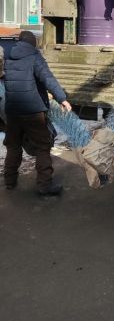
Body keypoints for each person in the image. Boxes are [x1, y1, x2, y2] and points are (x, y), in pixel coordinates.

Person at [3, 30, 71, 196]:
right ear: (33, 43)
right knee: (42, 146)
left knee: (13, 146)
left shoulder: (9, 58)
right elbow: (48, 79)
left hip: (12, 110)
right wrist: (62, 98)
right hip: (32, 111)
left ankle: (10, 182)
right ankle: (44, 185)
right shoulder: (35, 58)